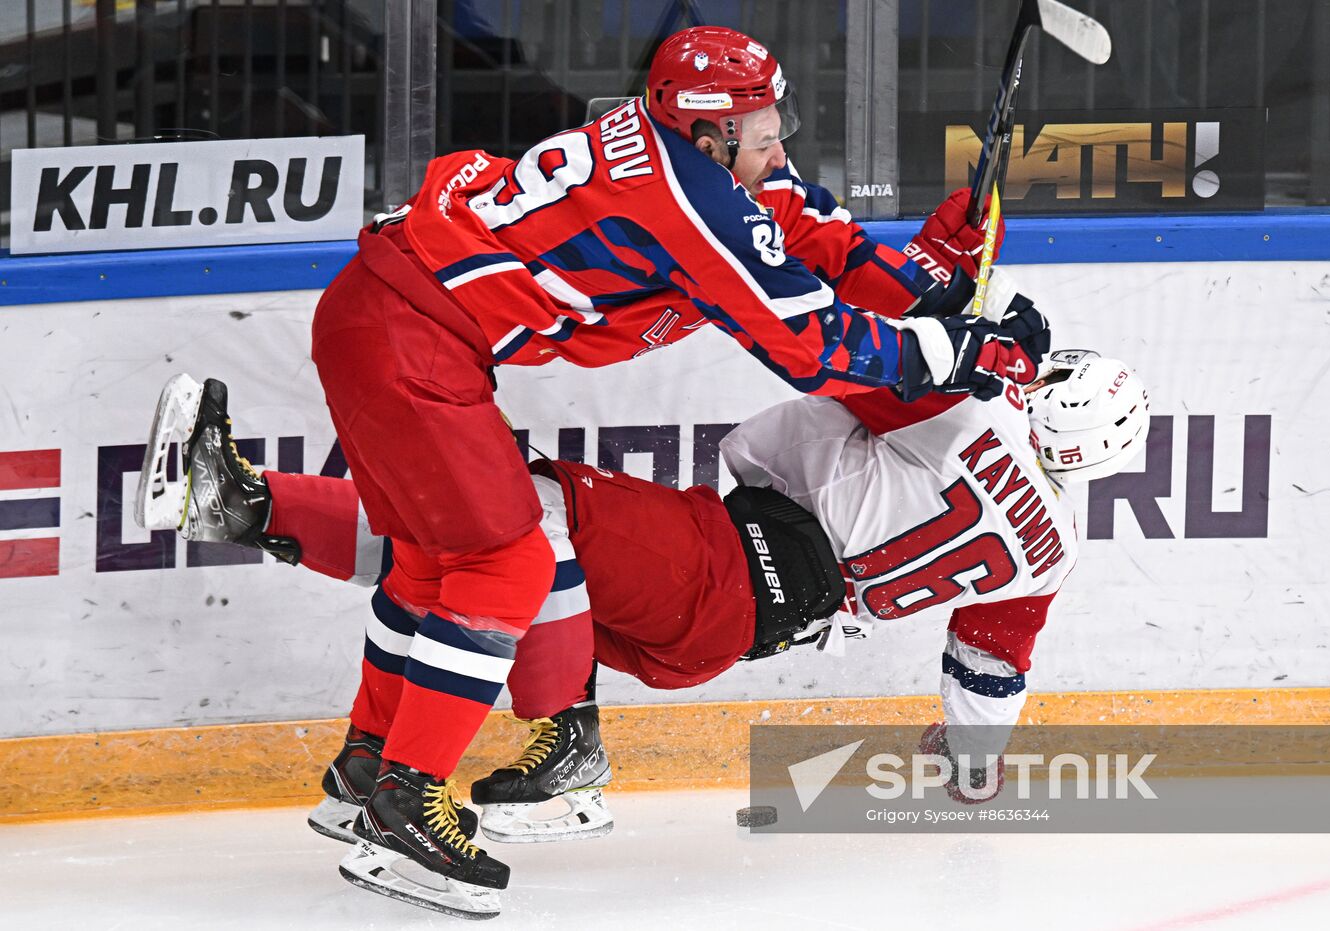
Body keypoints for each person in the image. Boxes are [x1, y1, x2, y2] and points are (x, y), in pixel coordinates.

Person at [136, 25, 1049, 920]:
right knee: (509, 563)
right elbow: (813, 349)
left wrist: (935, 281)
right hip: (413, 342)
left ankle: (366, 768)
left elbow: (820, 245)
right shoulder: (693, 205)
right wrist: (962, 348)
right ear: (710, 133)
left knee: (431, 557)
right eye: (765, 128)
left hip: (391, 317)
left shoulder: (698, 165)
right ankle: (407, 804)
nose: (783, 141)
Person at [142, 345, 1146, 827]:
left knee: (517, 509)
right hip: (730, 628)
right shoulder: (1049, 550)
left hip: (723, 564)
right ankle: (240, 506)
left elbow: (830, 353)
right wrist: (970, 769)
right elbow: (987, 671)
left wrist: (944, 327)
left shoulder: (962, 414)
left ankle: (569, 749)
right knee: (469, 553)